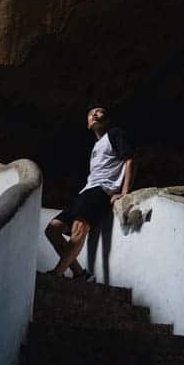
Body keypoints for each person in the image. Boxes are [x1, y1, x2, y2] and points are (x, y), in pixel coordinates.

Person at [45, 105, 134, 279]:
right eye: (90, 113)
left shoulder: (114, 134)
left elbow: (130, 159)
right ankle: (79, 273)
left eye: (99, 111)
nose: (94, 113)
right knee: (52, 229)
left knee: (80, 227)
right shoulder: (96, 146)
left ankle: (56, 274)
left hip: (101, 190)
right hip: (85, 192)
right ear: (88, 124)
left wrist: (124, 192)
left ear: (106, 119)